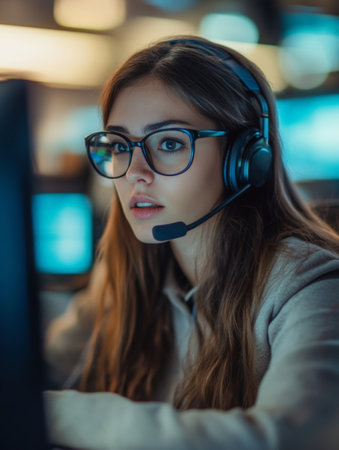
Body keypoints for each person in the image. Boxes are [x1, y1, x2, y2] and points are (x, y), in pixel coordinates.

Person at [44, 36, 339, 450]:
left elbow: (296, 437)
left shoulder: (310, 285)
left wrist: (51, 414)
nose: (135, 173)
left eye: (168, 143)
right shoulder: (128, 272)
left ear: (246, 158)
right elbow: (39, 369)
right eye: (118, 146)